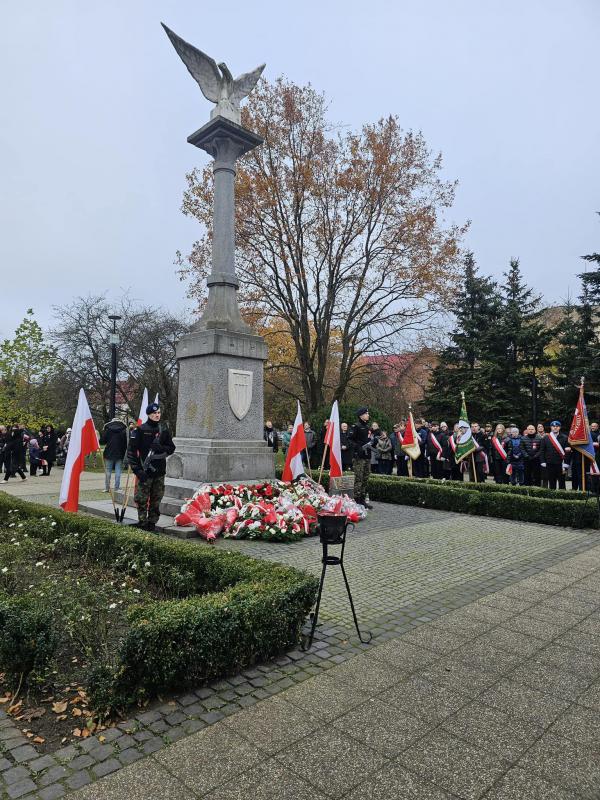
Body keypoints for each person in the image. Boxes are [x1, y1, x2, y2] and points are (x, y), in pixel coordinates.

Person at [127, 403, 175, 532]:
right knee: (141, 498)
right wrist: (137, 470)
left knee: (156, 499)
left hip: (159, 472)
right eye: (154, 413)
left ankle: (152, 523)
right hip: (145, 471)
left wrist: (161, 448)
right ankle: (142, 522)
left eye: (158, 412)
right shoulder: (140, 430)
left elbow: (171, 448)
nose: (157, 415)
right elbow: (131, 452)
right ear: (149, 414)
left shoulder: (163, 430)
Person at [349, 407, 372, 508]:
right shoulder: (356, 426)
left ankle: (362, 499)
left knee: (366, 477)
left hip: (367, 455)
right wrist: (358, 448)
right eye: (366, 413)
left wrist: (373, 442)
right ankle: (356, 499)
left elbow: (367, 439)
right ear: (361, 415)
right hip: (359, 457)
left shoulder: (367, 427)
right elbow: (349, 439)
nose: (368, 415)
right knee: (359, 478)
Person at [539, 420, 569, 491]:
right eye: (553, 426)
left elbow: (568, 452)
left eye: (557, 426)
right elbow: (542, 451)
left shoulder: (565, 438)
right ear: (551, 427)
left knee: (562, 482)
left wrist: (566, 463)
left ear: (559, 427)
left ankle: (562, 498)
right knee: (552, 482)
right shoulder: (545, 438)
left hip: (561, 464)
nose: (555, 428)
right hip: (550, 463)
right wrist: (543, 461)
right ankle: (552, 498)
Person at [100, 417, 128, 493]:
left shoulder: (108, 430)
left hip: (109, 452)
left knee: (108, 471)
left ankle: (107, 488)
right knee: (118, 471)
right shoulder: (123, 431)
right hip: (120, 453)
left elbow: (102, 441)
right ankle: (117, 488)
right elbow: (126, 444)